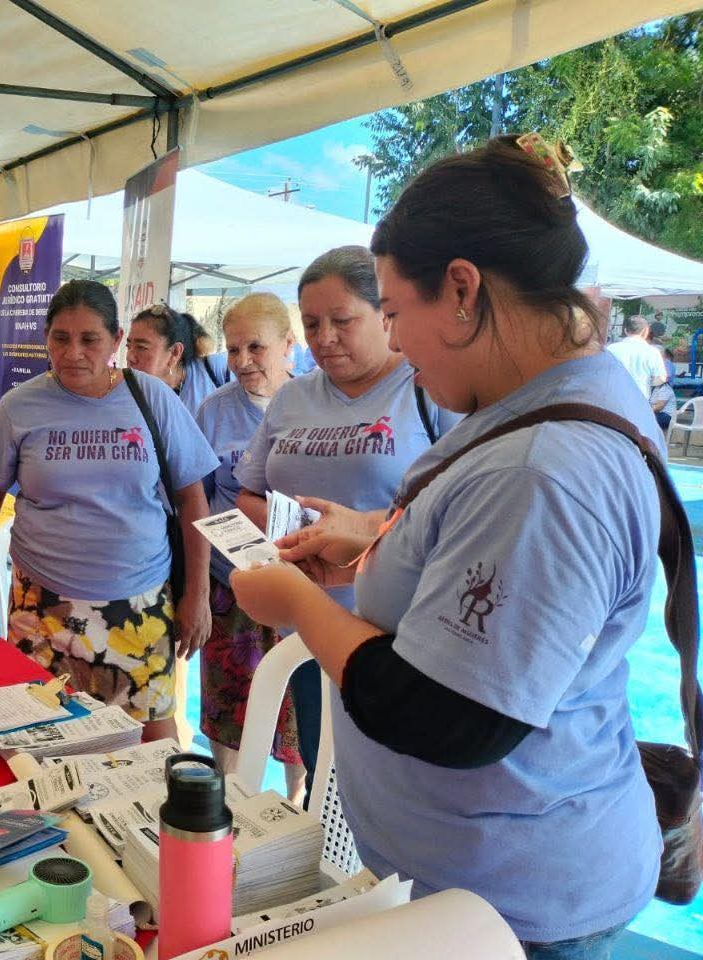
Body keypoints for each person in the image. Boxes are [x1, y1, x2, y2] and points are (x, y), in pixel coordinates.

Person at [235, 136, 662, 959]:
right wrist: (370, 540)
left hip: (510, 902)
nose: (398, 347)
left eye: (393, 315)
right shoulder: (542, 405)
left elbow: (448, 718)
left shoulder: (541, 468)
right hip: (474, 872)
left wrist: (296, 603)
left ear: (461, 289)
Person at [0, 280, 219, 742]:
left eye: (89, 339)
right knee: (40, 744)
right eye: (60, 338)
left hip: (139, 606)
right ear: (46, 338)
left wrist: (197, 594)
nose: (73, 352)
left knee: (152, 747)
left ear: (116, 340)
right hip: (41, 607)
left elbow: (192, 499)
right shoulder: (20, 407)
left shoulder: (152, 398)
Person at [233, 246, 459, 787]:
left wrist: (361, 527)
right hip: (304, 619)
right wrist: (296, 534)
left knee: (389, 776)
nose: (324, 338)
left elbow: (460, 508)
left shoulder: (430, 390)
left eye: (342, 321)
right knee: (321, 763)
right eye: (311, 324)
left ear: (385, 314)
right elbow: (247, 493)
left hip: (395, 628)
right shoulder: (292, 399)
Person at [191, 293, 303, 791]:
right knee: (229, 709)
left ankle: (301, 798)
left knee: (300, 709)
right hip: (230, 586)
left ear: (287, 346)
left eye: (255, 347)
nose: (242, 362)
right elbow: (196, 497)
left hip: (305, 587)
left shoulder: (314, 405)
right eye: (233, 350)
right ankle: (229, 800)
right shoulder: (214, 410)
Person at [126, 303, 229, 413]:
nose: (130, 357)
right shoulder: (133, 397)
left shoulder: (218, 371)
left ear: (175, 353)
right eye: (128, 347)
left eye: (141, 347)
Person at [607, 314, 667, 400]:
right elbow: (661, 378)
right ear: (646, 331)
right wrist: (645, 382)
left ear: (625, 331)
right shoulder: (652, 352)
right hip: (639, 400)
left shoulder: (610, 349)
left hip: (613, 399)